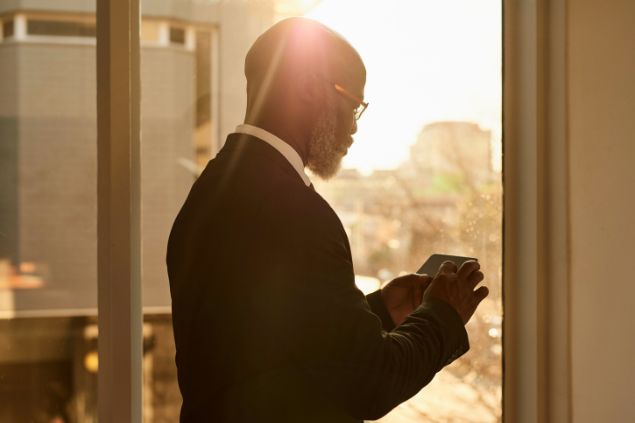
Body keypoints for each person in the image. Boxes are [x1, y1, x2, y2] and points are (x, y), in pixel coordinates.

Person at [166, 17, 489, 423]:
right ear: (308, 87)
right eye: (353, 104)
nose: (353, 127)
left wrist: (379, 313)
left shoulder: (214, 190)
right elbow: (369, 384)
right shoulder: (296, 212)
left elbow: (267, 347)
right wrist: (442, 315)